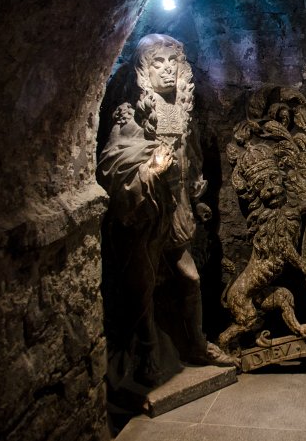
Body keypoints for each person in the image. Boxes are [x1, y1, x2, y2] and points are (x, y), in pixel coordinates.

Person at [97, 34, 234, 389]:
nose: (167, 69)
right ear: (144, 70)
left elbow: (187, 154)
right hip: (144, 213)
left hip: (174, 210)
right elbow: (114, 163)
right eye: (158, 63)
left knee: (189, 278)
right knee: (140, 285)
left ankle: (196, 344)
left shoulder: (180, 107)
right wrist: (150, 170)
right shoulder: (130, 113)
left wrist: (194, 191)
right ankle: (148, 353)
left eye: (172, 62)